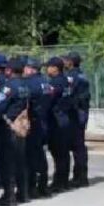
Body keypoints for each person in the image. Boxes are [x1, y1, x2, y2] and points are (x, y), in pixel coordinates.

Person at [0, 57, 31, 206]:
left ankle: (9, 196)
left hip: (9, 127)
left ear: (9, 70)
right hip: (21, 127)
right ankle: (23, 193)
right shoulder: (26, 86)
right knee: (20, 161)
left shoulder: (9, 87)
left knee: (8, 162)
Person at [22, 58, 55, 197]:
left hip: (33, 122)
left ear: (31, 69)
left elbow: (25, 103)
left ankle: (32, 187)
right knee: (41, 154)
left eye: (26, 68)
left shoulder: (29, 84)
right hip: (44, 121)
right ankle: (43, 185)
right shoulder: (46, 82)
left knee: (31, 155)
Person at [45, 57, 76, 193]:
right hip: (66, 118)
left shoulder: (55, 82)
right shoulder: (67, 81)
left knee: (58, 152)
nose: (47, 69)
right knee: (63, 153)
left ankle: (59, 182)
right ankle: (63, 181)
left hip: (56, 120)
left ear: (55, 68)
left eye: (49, 67)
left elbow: (48, 100)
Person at [63, 51, 89, 186]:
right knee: (79, 146)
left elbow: (68, 95)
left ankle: (80, 177)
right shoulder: (83, 74)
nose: (64, 62)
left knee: (76, 147)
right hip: (82, 113)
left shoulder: (72, 77)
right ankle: (81, 176)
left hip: (75, 114)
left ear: (71, 62)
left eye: (66, 60)